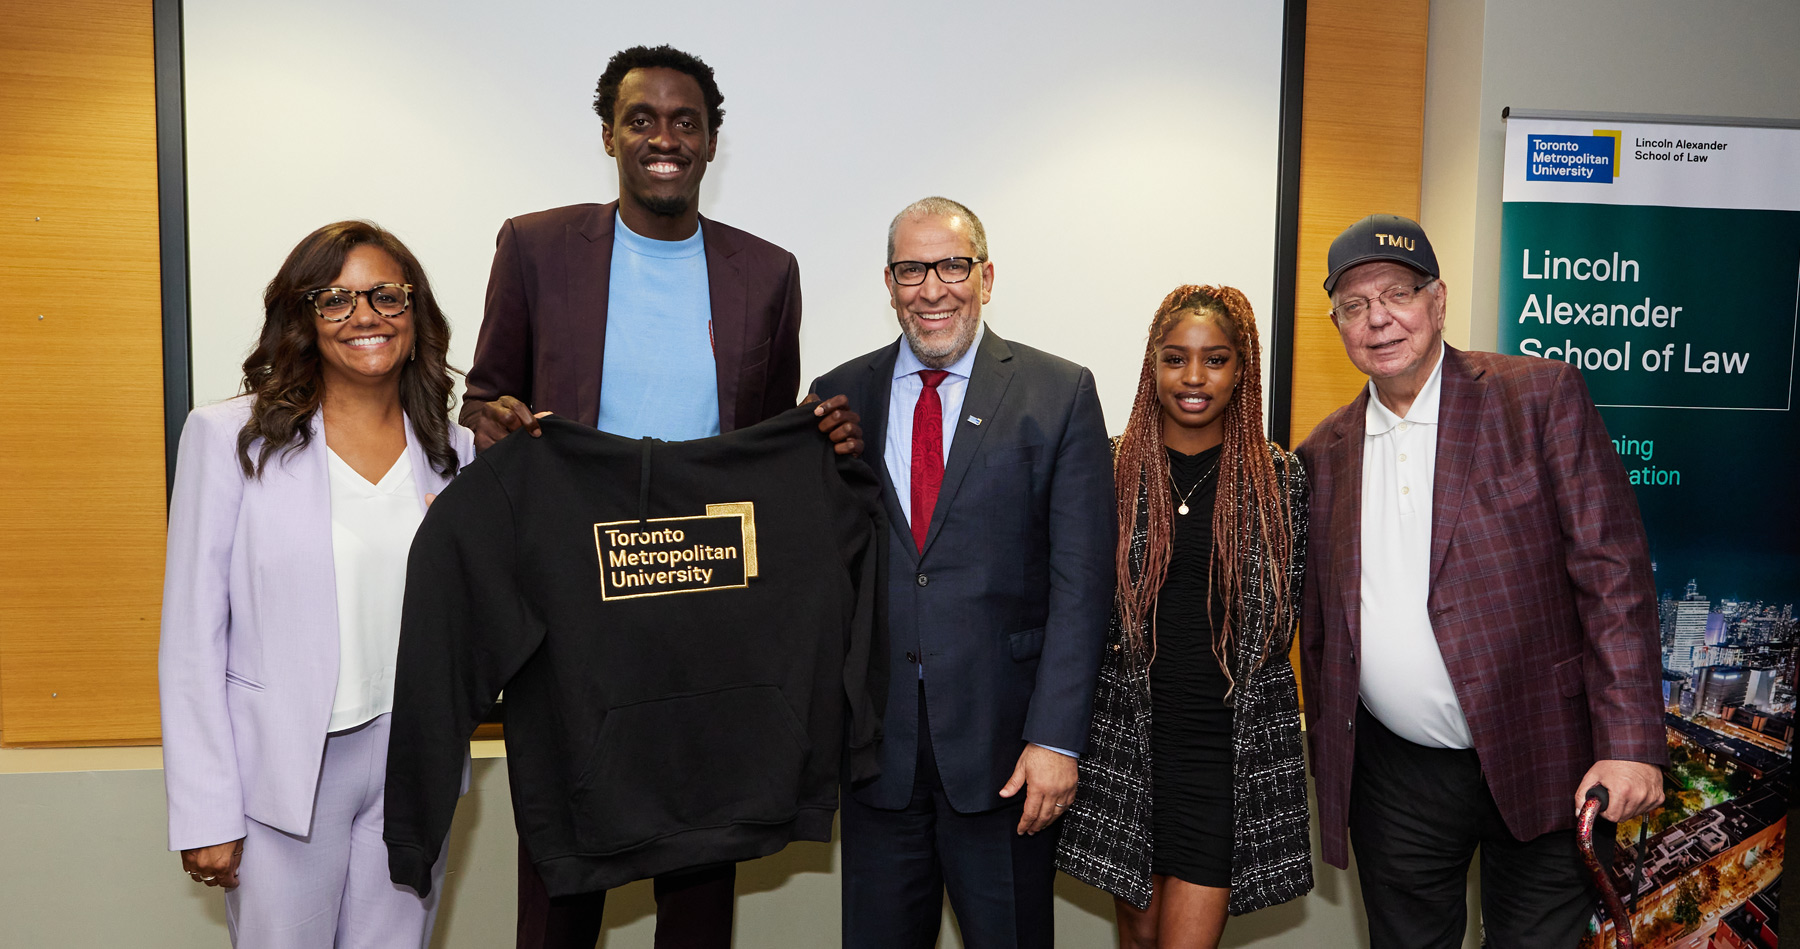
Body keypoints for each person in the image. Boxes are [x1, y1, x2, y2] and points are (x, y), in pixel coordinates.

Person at [455, 45, 858, 949]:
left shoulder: (768, 272)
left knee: (701, 856)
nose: (663, 138)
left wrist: (816, 437)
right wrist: (493, 420)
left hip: (707, 603)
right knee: (562, 855)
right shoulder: (535, 246)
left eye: (686, 121)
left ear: (713, 142)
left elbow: (761, 447)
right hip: (569, 603)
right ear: (610, 135)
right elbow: (483, 396)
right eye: (642, 119)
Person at [1296, 213, 1667, 948]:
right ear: (1336, 322)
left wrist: (1630, 740)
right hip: (1396, 775)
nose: (1378, 319)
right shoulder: (1322, 453)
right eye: (1354, 304)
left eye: (1397, 293)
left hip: (1545, 751)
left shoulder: (1536, 398)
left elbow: (1613, 575)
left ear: (1437, 300)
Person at [812, 197, 1115, 949]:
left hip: (1008, 758)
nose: (932, 288)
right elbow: (820, 571)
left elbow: (1082, 586)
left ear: (985, 275)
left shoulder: (1058, 392)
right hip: (879, 757)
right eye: (911, 269)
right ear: (889, 283)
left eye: (951, 266)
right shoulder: (837, 394)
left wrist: (1056, 741)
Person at [159, 221, 473, 947]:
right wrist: (207, 810)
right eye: (335, 299)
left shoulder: (454, 450)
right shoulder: (228, 438)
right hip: (283, 773)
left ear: (414, 310)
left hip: (414, 761)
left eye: (386, 296)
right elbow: (191, 639)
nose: (365, 316)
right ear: (303, 318)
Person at [1058, 285, 1312, 948]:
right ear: (1153, 365)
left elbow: (1298, 613)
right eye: (1176, 358)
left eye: (1216, 359)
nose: (1194, 377)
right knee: (1139, 939)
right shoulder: (1107, 468)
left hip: (1224, 754)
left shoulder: (1279, 480)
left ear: (1242, 370)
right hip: (1126, 746)